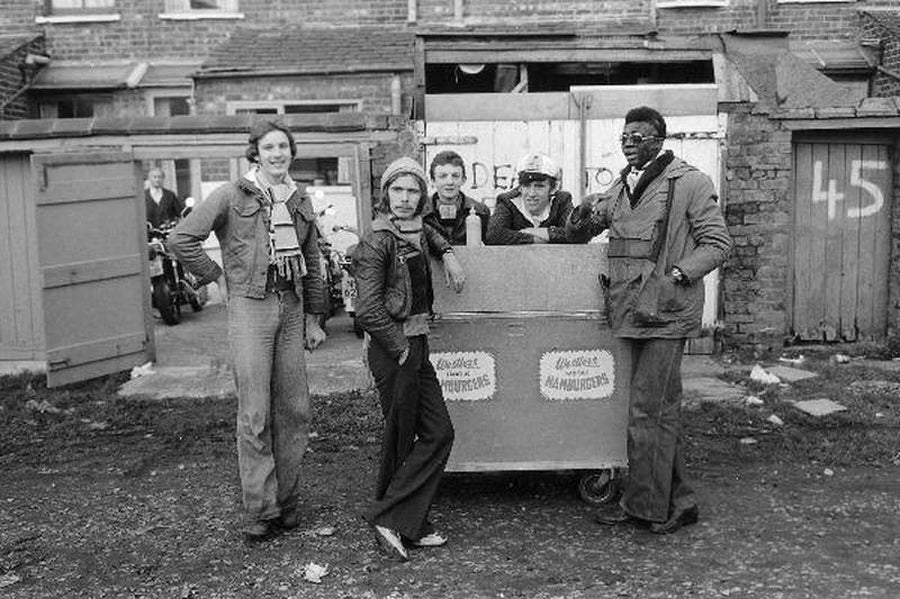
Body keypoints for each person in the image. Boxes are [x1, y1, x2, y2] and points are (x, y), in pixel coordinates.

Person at [567, 106, 732, 534]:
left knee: (647, 410)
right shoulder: (622, 184)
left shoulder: (690, 182)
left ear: (660, 139)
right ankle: (680, 501)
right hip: (631, 309)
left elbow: (718, 243)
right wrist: (576, 213)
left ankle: (643, 507)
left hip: (667, 311)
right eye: (624, 136)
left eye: (639, 136)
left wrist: (678, 274)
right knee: (659, 410)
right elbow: (586, 226)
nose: (629, 142)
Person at [168, 119, 328, 543]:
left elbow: (311, 260)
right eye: (269, 147)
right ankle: (262, 508)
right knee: (255, 411)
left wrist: (314, 317)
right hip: (250, 306)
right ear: (255, 152)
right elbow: (181, 239)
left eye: (284, 147)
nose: (277, 154)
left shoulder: (298, 198)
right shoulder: (231, 194)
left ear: (291, 153)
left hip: (291, 306)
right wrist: (215, 277)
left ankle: (288, 502)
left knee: (295, 408)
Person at [352, 157, 458, 561]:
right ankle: (395, 519)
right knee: (401, 436)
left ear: (422, 196)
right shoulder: (376, 240)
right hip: (394, 347)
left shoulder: (414, 230)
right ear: (386, 194)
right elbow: (368, 310)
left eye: (412, 191)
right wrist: (399, 350)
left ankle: (401, 518)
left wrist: (447, 252)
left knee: (438, 431)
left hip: (416, 343)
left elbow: (427, 235)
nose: (404, 198)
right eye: (397, 190)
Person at [485, 152, 573, 245]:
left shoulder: (562, 200)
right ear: (520, 187)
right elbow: (494, 235)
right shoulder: (508, 202)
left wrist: (538, 232)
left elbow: (576, 233)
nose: (531, 193)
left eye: (539, 186)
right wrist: (535, 239)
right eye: (526, 186)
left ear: (553, 189)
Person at [423, 150, 490, 245]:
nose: (450, 182)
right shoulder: (421, 212)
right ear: (432, 181)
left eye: (455, 176)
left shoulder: (481, 211)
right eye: (443, 176)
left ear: (463, 180)